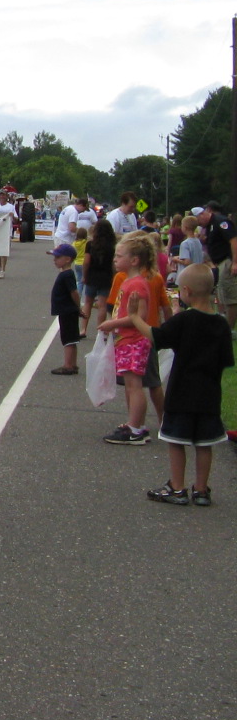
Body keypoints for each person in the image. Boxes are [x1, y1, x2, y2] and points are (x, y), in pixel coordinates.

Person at [144, 264, 234, 505]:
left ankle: (177, 487)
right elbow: (226, 360)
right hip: (209, 395)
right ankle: (201, 490)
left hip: (181, 393)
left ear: (185, 291)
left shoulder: (183, 320)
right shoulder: (221, 324)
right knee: (204, 444)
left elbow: (158, 337)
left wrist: (134, 317)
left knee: (176, 441)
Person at [99, 235, 158, 445]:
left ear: (134, 260)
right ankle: (135, 423)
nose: (115, 259)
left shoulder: (138, 285)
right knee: (130, 385)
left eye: (119, 255)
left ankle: (136, 429)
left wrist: (112, 324)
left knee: (135, 385)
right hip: (125, 340)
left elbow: (139, 317)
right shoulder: (127, 281)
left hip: (134, 340)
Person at [196, 202, 235, 329]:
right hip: (219, 262)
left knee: (230, 298)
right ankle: (226, 325)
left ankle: (228, 329)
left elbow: (233, 240)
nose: (199, 225)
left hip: (227, 261)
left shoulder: (220, 222)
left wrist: (235, 262)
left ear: (203, 214)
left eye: (198, 221)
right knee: (223, 296)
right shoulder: (211, 225)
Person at [48, 242, 83, 375]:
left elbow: (73, 292)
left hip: (67, 310)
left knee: (68, 338)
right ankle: (73, 364)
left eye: (57, 258)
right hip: (67, 310)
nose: (54, 260)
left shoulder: (67, 274)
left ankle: (68, 365)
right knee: (72, 337)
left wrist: (77, 306)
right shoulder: (66, 274)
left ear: (67, 259)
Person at [77, 219, 115, 337]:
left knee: (88, 303)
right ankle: (101, 330)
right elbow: (113, 264)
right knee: (102, 305)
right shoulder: (112, 246)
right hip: (106, 276)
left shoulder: (90, 244)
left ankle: (83, 329)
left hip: (92, 276)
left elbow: (86, 262)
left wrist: (84, 275)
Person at [0, 194, 17, 278]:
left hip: (6, 230)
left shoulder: (10, 207)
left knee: (3, 251)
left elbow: (16, 218)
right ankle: (0, 266)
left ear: (6, 197)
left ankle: (2, 270)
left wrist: (12, 215)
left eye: (3, 195)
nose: (2, 197)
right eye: (1, 195)